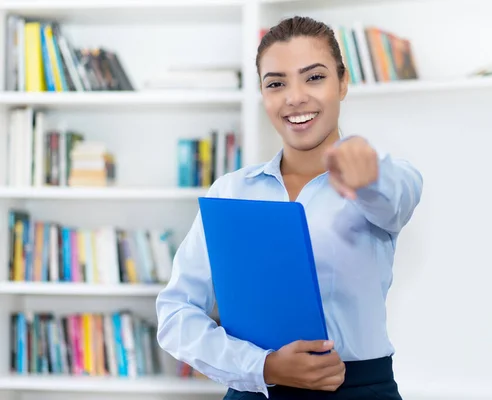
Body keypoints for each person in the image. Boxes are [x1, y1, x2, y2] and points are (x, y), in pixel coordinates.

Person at [155, 16, 423, 400]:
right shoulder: (230, 191)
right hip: (254, 389)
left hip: (359, 390)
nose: (295, 97)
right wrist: (262, 366)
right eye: (276, 83)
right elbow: (176, 312)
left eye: (314, 77)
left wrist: (368, 175)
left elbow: (395, 198)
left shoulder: (387, 177)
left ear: (342, 83)